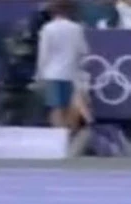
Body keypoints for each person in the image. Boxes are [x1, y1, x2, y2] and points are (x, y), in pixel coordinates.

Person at [36, 0, 89, 130]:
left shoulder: (48, 28)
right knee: (70, 106)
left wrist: (39, 75)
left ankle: (58, 136)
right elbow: (83, 51)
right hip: (70, 74)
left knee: (56, 107)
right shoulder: (76, 28)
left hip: (52, 74)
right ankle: (68, 134)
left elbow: (44, 54)